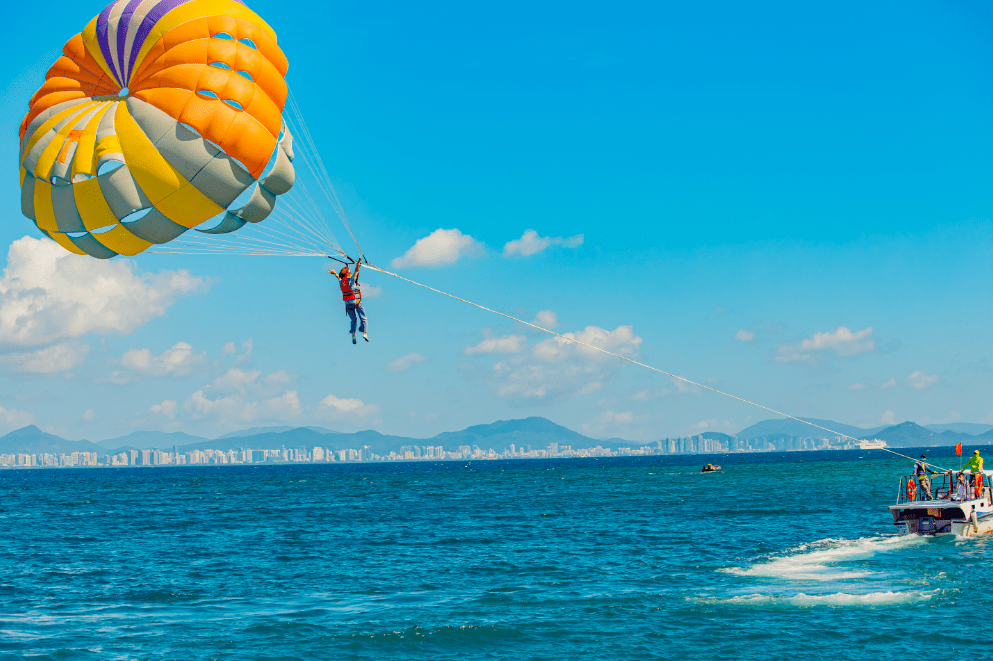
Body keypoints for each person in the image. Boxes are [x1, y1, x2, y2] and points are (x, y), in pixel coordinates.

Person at [329, 262, 368, 344]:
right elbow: (356, 271)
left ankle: (353, 334)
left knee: (354, 319)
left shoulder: (342, 281)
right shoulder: (351, 280)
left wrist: (334, 273)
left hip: (347, 303)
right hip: (355, 301)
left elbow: (338, 278)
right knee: (363, 317)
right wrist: (359, 262)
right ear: (347, 273)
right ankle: (364, 332)